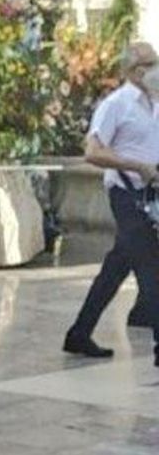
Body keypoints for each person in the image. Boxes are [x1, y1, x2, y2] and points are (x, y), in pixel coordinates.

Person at [63, 42, 159, 364]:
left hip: (151, 194)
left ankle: (79, 333)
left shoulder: (155, 103)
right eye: (151, 62)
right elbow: (93, 151)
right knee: (150, 266)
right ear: (135, 70)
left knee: (117, 266)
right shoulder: (116, 105)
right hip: (127, 193)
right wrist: (137, 167)